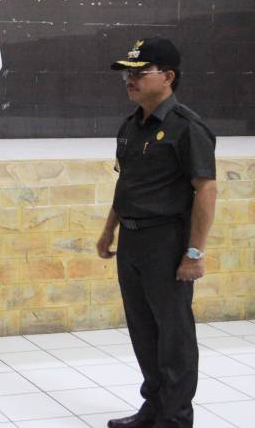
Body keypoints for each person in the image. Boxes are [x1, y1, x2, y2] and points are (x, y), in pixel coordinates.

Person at [96, 37, 217, 428]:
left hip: (166, 242)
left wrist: (194, 253)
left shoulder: (187, 127)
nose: (130, 80)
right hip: (132, 242)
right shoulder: (130, 126)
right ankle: (154, 407)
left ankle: (176, 418)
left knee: (174, 335)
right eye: (127, 74)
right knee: (143, 330)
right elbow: (127, 183)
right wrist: (109, 230)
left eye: (140, 72)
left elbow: (206, 190)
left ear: (167, 77)